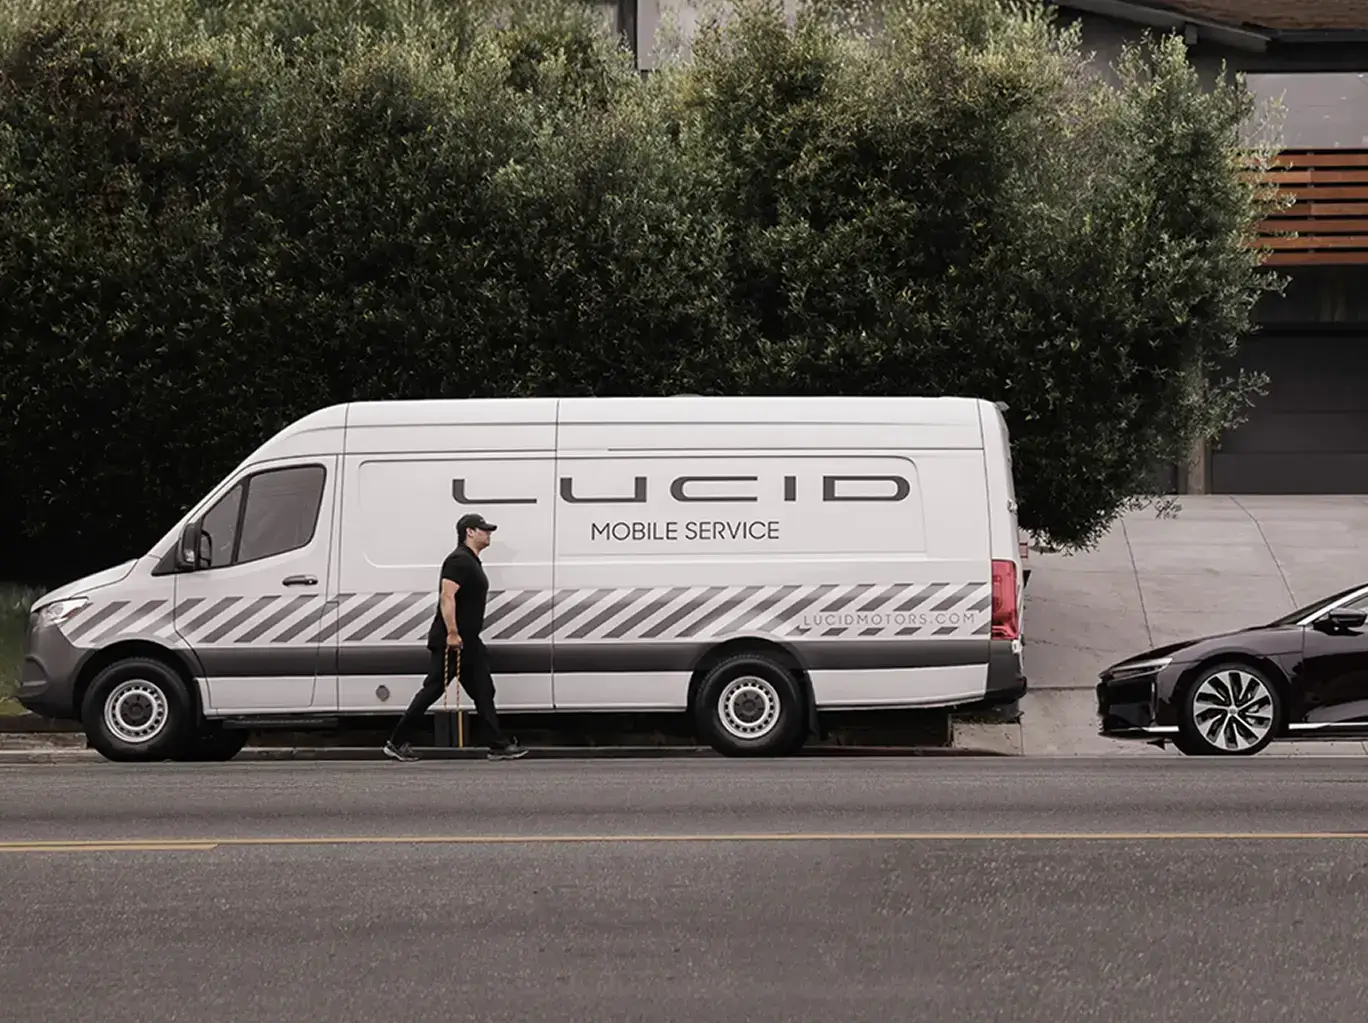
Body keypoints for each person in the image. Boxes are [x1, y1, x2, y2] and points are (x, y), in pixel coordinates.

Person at [383, 512, 527, 762]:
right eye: (484, 529)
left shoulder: (471, 560)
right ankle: (396, 742)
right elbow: (447, 596)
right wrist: (452, 632)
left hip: (468, 640)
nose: (488, 533)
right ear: (469, 532)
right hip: (454, 640)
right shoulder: (459, 560)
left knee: (483, 690)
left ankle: (497, 745)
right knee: (432, 690)